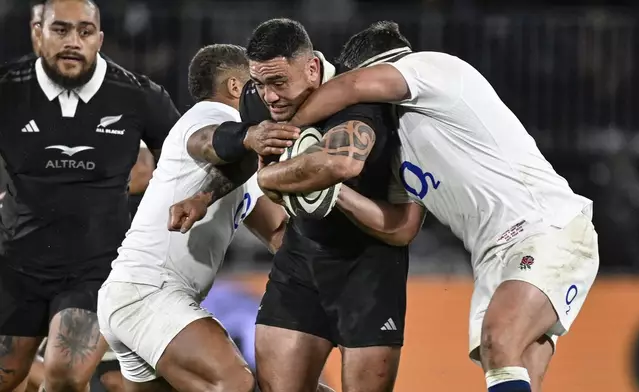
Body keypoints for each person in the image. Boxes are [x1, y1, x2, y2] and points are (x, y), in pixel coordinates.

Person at [287, 21, 600, 392]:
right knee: (509, 367)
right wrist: (335, 193)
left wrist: (287, 134)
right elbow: (402, 227)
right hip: (493, 254)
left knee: (500, 341)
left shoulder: (431, 68)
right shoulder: (398, 142)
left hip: (545, 227)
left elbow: (350, 86)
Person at [172, 18, 422, 392]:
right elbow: (251, 153)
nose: (269, 96)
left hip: (368, 266)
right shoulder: (260, 100)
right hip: (301, 259)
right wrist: (204, 195)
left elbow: (340, 164)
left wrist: (272, 179)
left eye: (278, 82)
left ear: (311, 68)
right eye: (259, 83)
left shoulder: (361, 102)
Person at [0, 1, 180, 391]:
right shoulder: (7, 90)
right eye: (60, 30)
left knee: (64, 375)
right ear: (37, 33)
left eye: (84, 31)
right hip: (15, 266)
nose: (73, 41)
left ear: (99, 39)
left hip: (96, 269)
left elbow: (182, 158)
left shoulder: (137, 96)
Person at [97, 43, 289, 392]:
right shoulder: (210, 118)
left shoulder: (241, 160)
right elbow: (208, 141)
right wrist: (250, 135)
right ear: (235, 87)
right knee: (234, 383)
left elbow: (278, 233)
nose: (266, 94)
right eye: (256, 84)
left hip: (136, 294)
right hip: (151, 291)